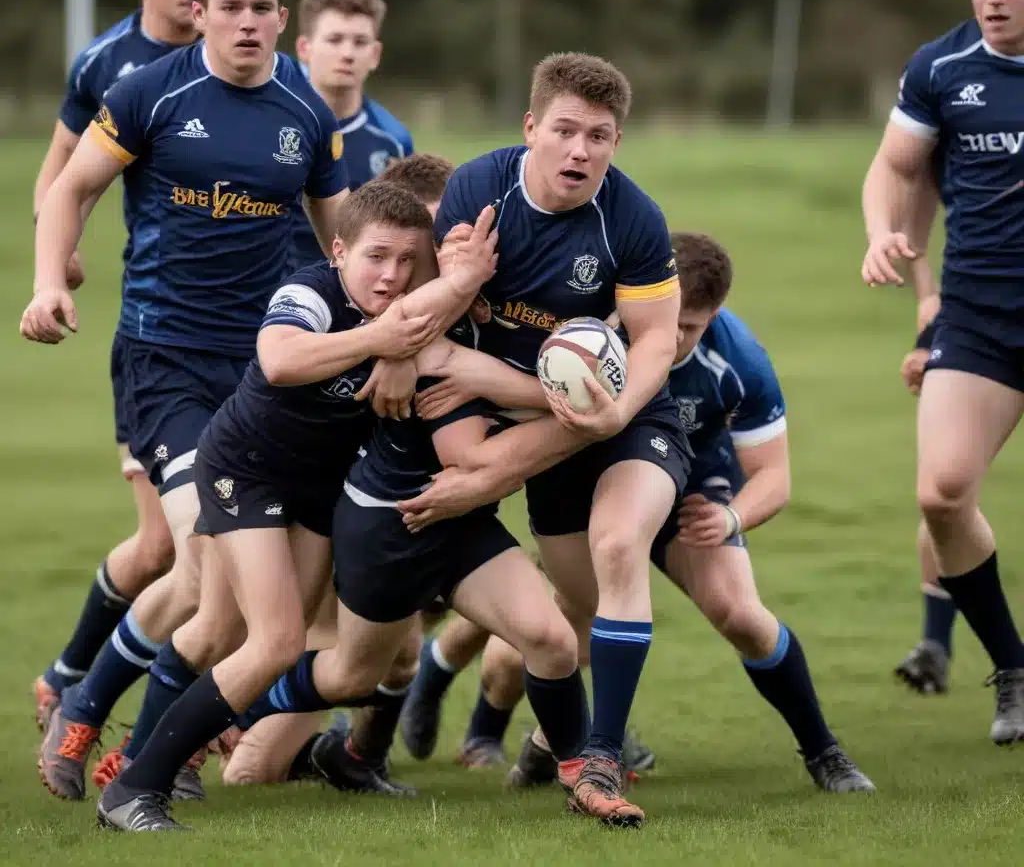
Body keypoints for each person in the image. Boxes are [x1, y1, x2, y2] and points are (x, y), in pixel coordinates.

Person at [96, 200, 614, 832]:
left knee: (295, 651)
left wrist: (571, 390)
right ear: (338, 251)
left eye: (407, 261)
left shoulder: (427, 316)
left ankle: (581, 774)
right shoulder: (311, 290)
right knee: (272, 640)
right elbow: (280, 360)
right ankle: (137, 783)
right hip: (246, 469)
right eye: (376, 256)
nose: (392, 275)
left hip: (320, 489)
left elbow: (450, 342)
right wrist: (385, 340)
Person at [23, 0, 350, 800]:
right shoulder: (147, 92)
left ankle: (122, 726)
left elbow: (343, 240)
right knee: (205, 566)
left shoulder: (306, 112)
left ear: (285, 16)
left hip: (261, 372)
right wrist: (49, 281)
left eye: (263, 9)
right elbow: (69, 189)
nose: (248, 24)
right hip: (163, 358)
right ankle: (100, 721)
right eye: (231, 7)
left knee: (228, 597)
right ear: (199, 11)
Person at [401, 232, 876, 794]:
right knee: (536, 648)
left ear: (716, 315)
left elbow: (775, 476)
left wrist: (729, 519)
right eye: (670, 318)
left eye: (691, 328)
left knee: (740, 614)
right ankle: (466, 700)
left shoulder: (738, 358)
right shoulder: (594, 326)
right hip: (586, 479)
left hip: (692, 495)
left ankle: (825, 753)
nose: (673, 339)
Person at [414, 51, 690, 825]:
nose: (580, 151)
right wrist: (461, 287)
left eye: (599, 136)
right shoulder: (478, 186)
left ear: (616, 142)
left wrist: (614, 413)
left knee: (615, 547)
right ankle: (531, 731)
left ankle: (598, 756)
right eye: (565, 130)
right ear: (531, 127)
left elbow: (657, 341)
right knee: (578, 600)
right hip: (536, 412)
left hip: (628, 416)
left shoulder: (631, 219)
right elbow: (441, 308)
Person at [208, 154, 456, 790]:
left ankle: (355, 757)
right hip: (289, 486)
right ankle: (186, 739)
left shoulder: (443, 307)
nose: (408, 275)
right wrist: (389, 346)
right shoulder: (328, 296)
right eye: (389, 255)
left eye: (423, 254)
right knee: (254, 642)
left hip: (355, 499)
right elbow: (281, 363)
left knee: (396, 654)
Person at [31, 0, 216, 734]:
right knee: (171, 549)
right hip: (162, 330)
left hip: (250, 331)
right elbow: (61, 175)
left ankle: (87, 685)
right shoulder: (110, 64)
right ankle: (85, 691)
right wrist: (58, 257)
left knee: (194, 547)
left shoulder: (248, 58)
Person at [860, 0, 1024, 743]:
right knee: (942, 493)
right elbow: (892, 168)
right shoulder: (943, 66)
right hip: (982, 319)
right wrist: (884, 231)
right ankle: (1013, 669)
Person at [289, 0, 414, 270]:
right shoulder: (275, 121)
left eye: (359, 42)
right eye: (334, 40)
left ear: (375, 55)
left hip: (349, 296)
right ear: (304, 48)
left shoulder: (393, 140)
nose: (347, 53)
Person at [891, 181, 961, 694]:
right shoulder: (963, 111)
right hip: (980, 325)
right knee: (944, 491)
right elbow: (915, 196)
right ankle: (936, 643)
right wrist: (928, 328)